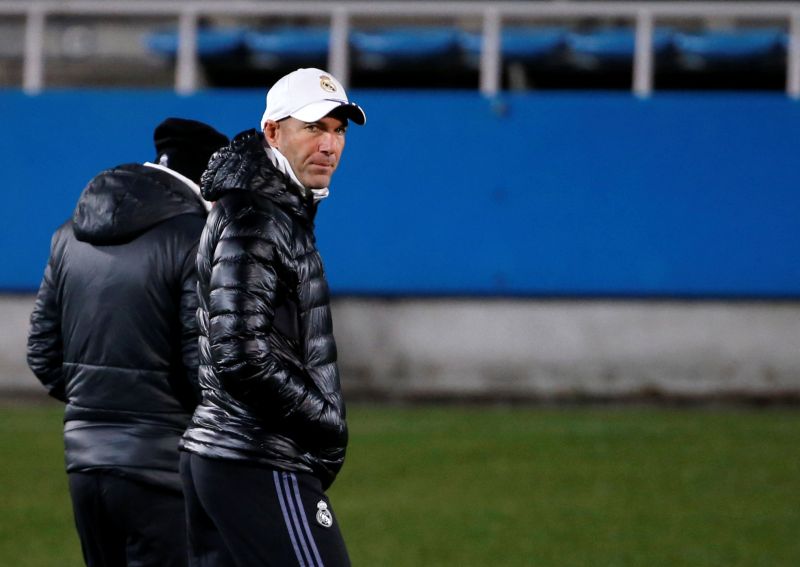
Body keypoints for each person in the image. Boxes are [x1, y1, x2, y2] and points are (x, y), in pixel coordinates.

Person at [179, 67, 366, 567]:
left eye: (338, 129)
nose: (329, 145)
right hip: (256, 459)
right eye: (313, 127)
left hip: (230, 453)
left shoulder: (266, 208)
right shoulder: (258, 216)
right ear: (272, 132)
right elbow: (241, 353)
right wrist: (325, 422)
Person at [27, 117, 229, 567]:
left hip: (84, 464)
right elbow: (204, 372)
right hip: (163, 470)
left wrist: (101, 405)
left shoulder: (68, 235)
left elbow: (42, 354)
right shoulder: (196, 239)